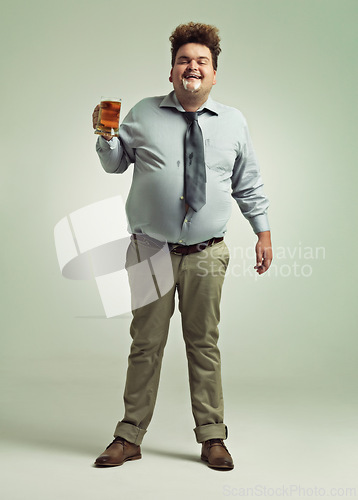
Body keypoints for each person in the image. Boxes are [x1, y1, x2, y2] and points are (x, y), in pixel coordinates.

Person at [92, 22, 272, 471]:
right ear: (171, 72)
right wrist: (105, 137)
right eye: (184, 60)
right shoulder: (142, 112)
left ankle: (213, 437)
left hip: (207, 251)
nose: (192, 67)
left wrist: (262, 231)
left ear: (214, 75)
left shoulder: (233, 122)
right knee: (146, 344)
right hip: (150, 249)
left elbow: (247, 182)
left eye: (202, 62)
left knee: (204, 344)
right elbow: (116, 166)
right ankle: (129, 436)